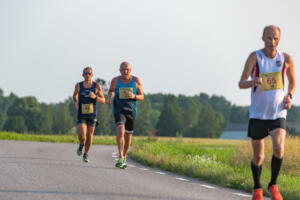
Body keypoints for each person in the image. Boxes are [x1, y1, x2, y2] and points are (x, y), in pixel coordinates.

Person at [239, 25, 296, 200]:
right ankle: (257, 188)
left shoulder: (285, 58)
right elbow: (241, 83)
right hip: (257, 114)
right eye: (269, 38)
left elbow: (292, 81)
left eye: (276, 38)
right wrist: (253, 82)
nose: (272, 41)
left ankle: (273, 185)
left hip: (277, 113)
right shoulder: (255, 57)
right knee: (259, 156)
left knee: (279, 147)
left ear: (279, 39)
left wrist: (289, 96)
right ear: (263, 38)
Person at [107, 62, 144, 169]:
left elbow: (142, 96)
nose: (125, 71)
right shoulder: (115, 80)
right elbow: (111, 91)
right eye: (123, 69)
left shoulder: (136, 80)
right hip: (119, 109)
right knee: (120, 130)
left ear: (130, 70)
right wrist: (110, 97)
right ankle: (121, 156)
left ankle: (124, 157)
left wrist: (134, 96)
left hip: (131, 111)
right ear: (119, 70)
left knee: (128, 135)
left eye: (127, 69)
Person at [73, 67, 105, 162]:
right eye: (85, 73)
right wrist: (76, 101)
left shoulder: (96, 86)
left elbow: (103, 100)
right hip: (82, 113)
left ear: (92, 75)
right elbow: (74, 95)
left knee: (90, 135)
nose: (87, 75)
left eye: (89, 73)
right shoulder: (78, 85)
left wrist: (95, 97)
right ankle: (81, 144)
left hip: (92, 114)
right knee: (82, 135)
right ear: (83, 75)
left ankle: (86, 154)